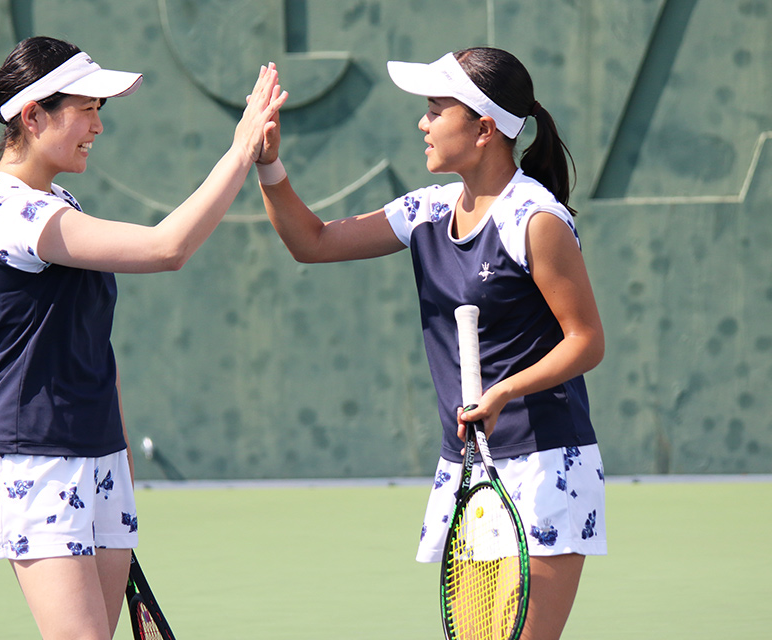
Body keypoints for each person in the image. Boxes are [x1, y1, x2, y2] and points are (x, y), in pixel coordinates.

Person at [256, 47, 605, 639]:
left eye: (436, 109)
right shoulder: (427, 208)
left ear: (484, 129)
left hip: (546, 465)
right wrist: (268, 165)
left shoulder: (535, 219)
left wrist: (503, 393)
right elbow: (311, 241)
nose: (423, 122)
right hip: (468, 469)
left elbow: (586, 340)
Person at [0, 36, 286, 640]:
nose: (99, 126)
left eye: (101, 111)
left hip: (98, 455)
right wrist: (239, 152)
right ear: (33, 115)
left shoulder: (58, 200)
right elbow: (166, 248)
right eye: (87, 109)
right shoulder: (11, 212)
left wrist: (119, 454)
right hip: (38, 461)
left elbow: (91, 344)